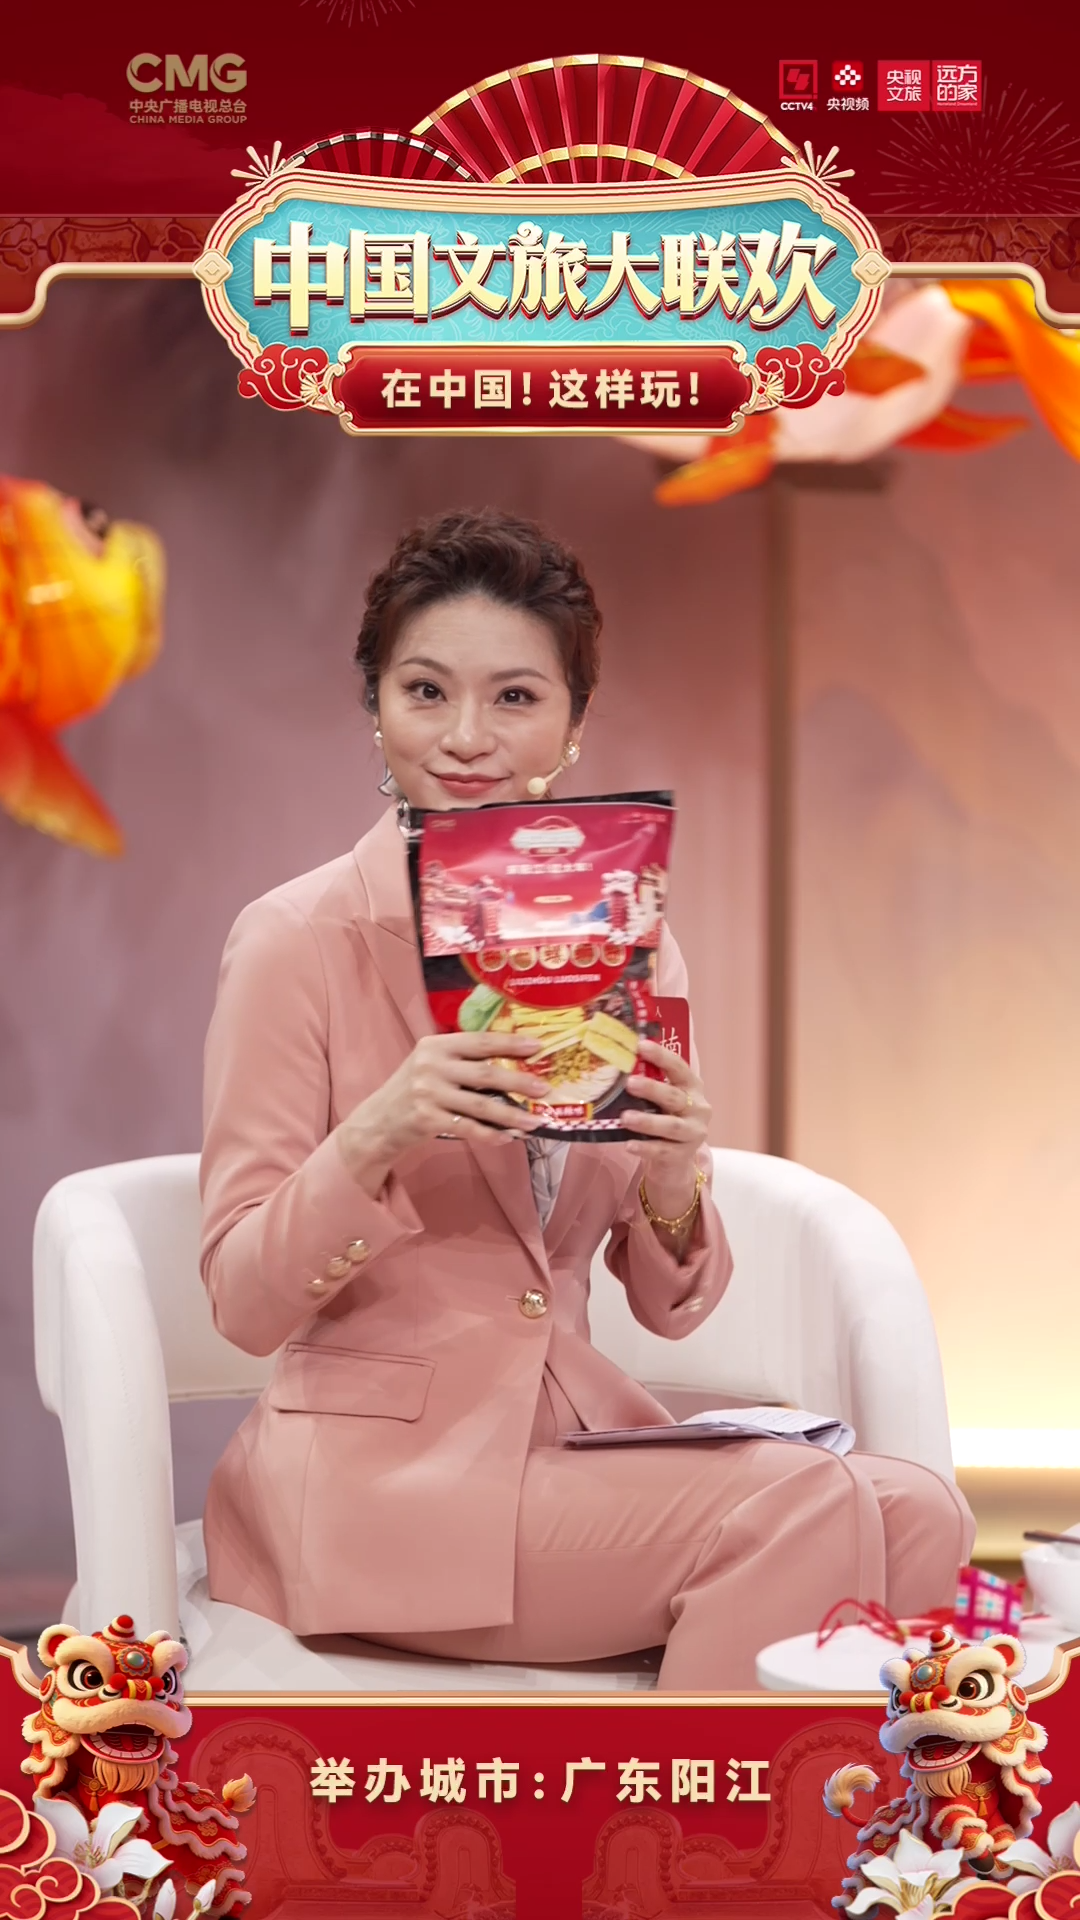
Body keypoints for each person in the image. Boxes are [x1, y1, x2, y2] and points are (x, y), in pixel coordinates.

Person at [200, 507, 974, 1688]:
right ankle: (683, 1809)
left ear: (570, 728)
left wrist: (673, 1176)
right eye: (425, 691)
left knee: (921, 1513)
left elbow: (667, 1309)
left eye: (515, 697)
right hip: (375, 1484)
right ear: (376, 705)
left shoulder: (628, 948)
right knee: (799, 1505)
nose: (467, 736)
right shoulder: (296, 939)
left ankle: (744, 1784)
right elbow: (241, 1297)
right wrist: (377, 1134)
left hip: (560, 1449)